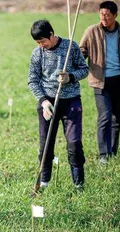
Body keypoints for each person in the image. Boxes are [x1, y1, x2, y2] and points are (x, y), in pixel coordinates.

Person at [79, 1, 120, 164]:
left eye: (107, 15)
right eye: (101, 14)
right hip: (100, 81)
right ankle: (103, 155)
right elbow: (81, 52)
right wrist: (75, 64)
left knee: (116, 118)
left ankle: (113, 152)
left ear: (115, 15)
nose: (104, 18)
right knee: (105, 116)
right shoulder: (91, 32)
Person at [28, 20, 89, 190]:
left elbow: (84, 69)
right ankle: (45, 182)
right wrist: (43, 101)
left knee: (74, 143)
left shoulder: (71, 47)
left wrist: (70, 76)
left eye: (43, 41)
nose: (41, 45)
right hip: (48, 103)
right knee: (45, 144)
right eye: (37, 43)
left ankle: (78, 183)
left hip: (71, 101)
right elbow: (32, 81)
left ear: (51, 34)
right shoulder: (37, 54)